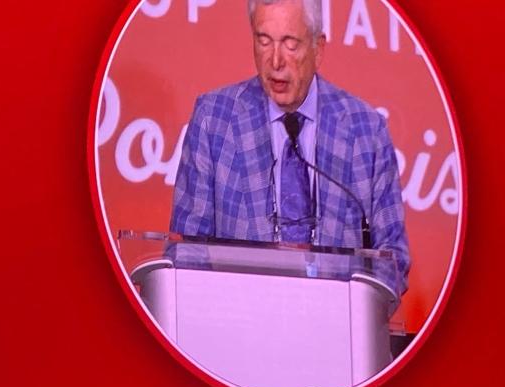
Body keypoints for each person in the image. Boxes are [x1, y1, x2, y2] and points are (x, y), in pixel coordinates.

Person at [169, 0, 410, 297]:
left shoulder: (366, 131)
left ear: (317, 49)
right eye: (264, 41)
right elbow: (185, 252)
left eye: (290, 43)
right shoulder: (213, 120)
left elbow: (393, 259)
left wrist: (354, 307)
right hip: (237, 325)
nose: (275, 61)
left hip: (333, 329)